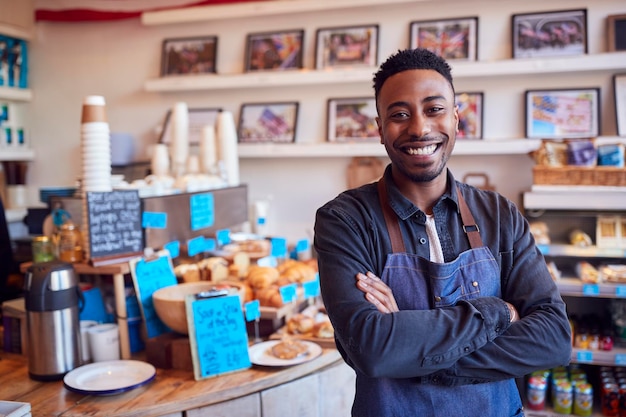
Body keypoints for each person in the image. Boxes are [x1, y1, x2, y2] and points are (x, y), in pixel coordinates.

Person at [313, 48, 572, 417]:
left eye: (434, 109)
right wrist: (497, 313)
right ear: (380, 129)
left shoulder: (500, 215)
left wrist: (408, 348)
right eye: (400, 115)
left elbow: (553, 340)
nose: (419, 128)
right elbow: (371, 348)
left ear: (455, 117)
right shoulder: (345, 220)